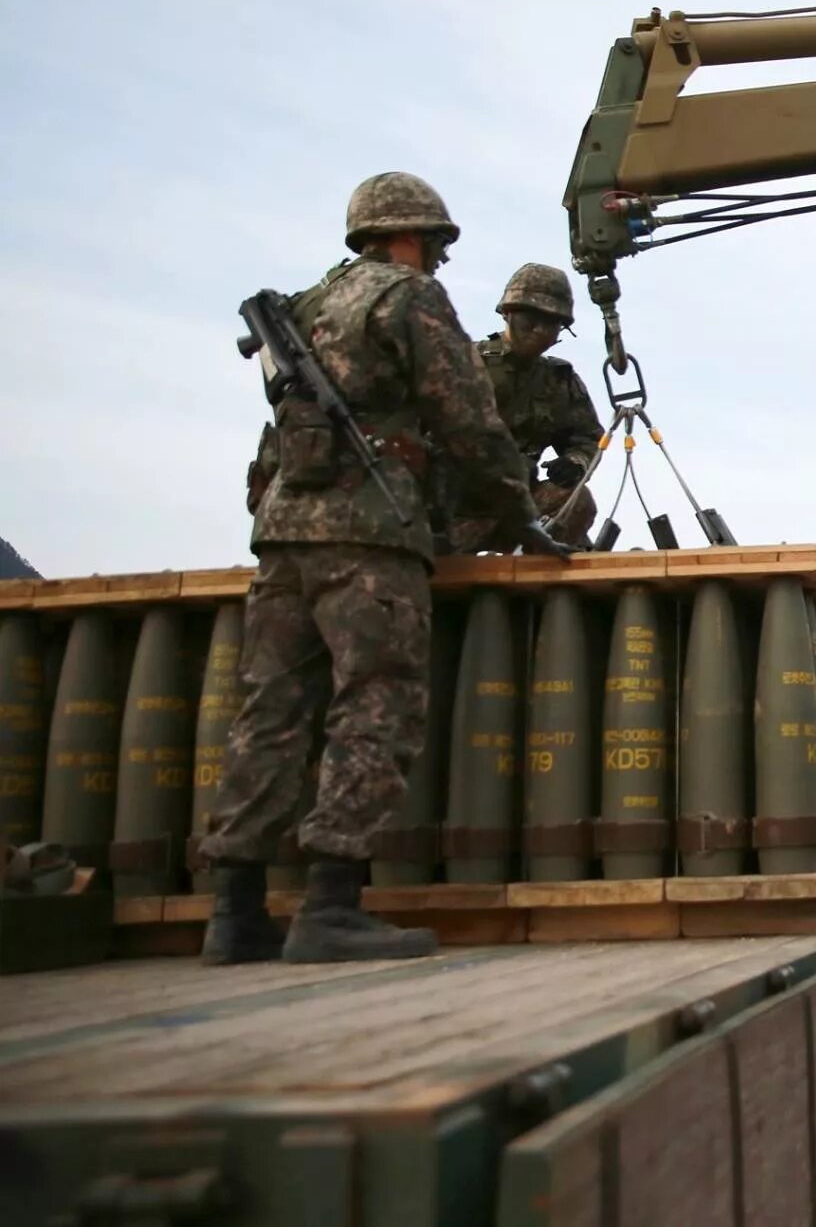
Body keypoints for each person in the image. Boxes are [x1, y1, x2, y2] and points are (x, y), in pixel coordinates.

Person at [199, 171, 564, 967]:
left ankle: (234, 914)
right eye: (433, 245)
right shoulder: (408, 299)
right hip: (370, 533)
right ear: (413, 236)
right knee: (375, 703)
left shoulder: (304, 305)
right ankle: (331, 905)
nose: (434, 259)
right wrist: (521, 517)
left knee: (269, 711)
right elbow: (468, 418)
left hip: (283, 533)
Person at [440, 263, 603, 552]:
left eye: (552, 321)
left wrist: (575, 463)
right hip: (453, 512)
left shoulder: (558, 380)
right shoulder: (462, 364)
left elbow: (588, 438)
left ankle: (536, 585)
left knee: (577, 500)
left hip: (520, 511)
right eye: (531, 317)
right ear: (508, 313)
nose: (540, 329)